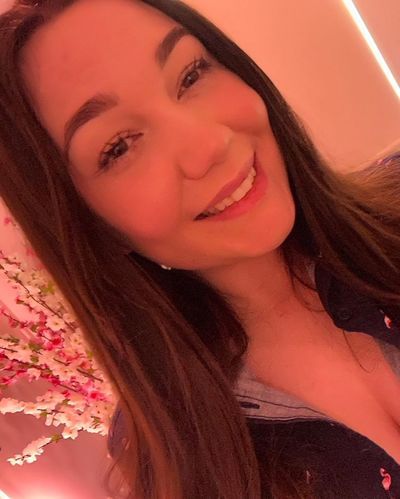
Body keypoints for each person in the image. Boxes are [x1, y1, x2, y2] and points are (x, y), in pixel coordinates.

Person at [0, 1, 399, 497]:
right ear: (86, 223)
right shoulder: (187, 469)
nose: (209, 143)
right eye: (119, 146)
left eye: (190, 75)